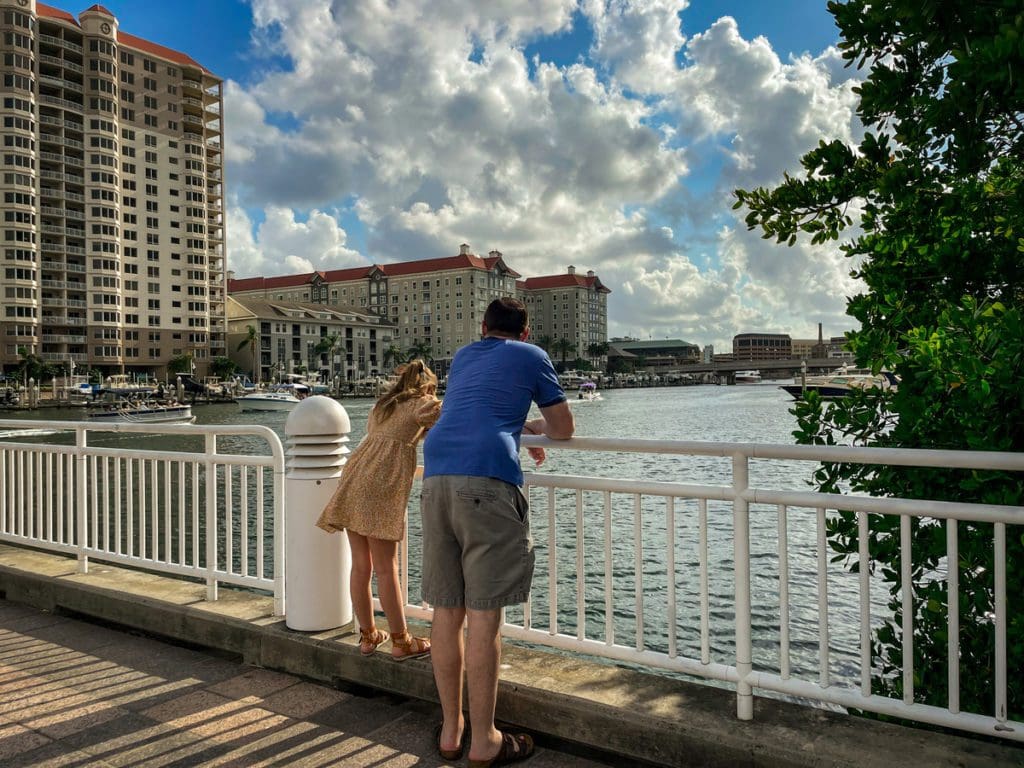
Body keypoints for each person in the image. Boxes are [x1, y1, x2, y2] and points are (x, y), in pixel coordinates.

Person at [421, 297, 575, 766]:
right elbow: (564, 428)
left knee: (447, 611)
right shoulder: (532, 356)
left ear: (483, 327)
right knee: (484, 616)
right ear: (525, 333)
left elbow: (474, 409)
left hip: (436, 475)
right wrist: (533, 426)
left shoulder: (466, 355)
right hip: (486, 479)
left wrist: (518, 421)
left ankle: (452, 733)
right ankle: (485, 739)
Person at [316, 360, 442, 660]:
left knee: (361, 566)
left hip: (355, 477)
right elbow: (455, 421)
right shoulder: (425, 404)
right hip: (380, 486)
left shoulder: (382, 405)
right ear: (427, 386)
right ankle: (401, 641)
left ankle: (369, 636)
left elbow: (396, 432)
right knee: (387, 568)